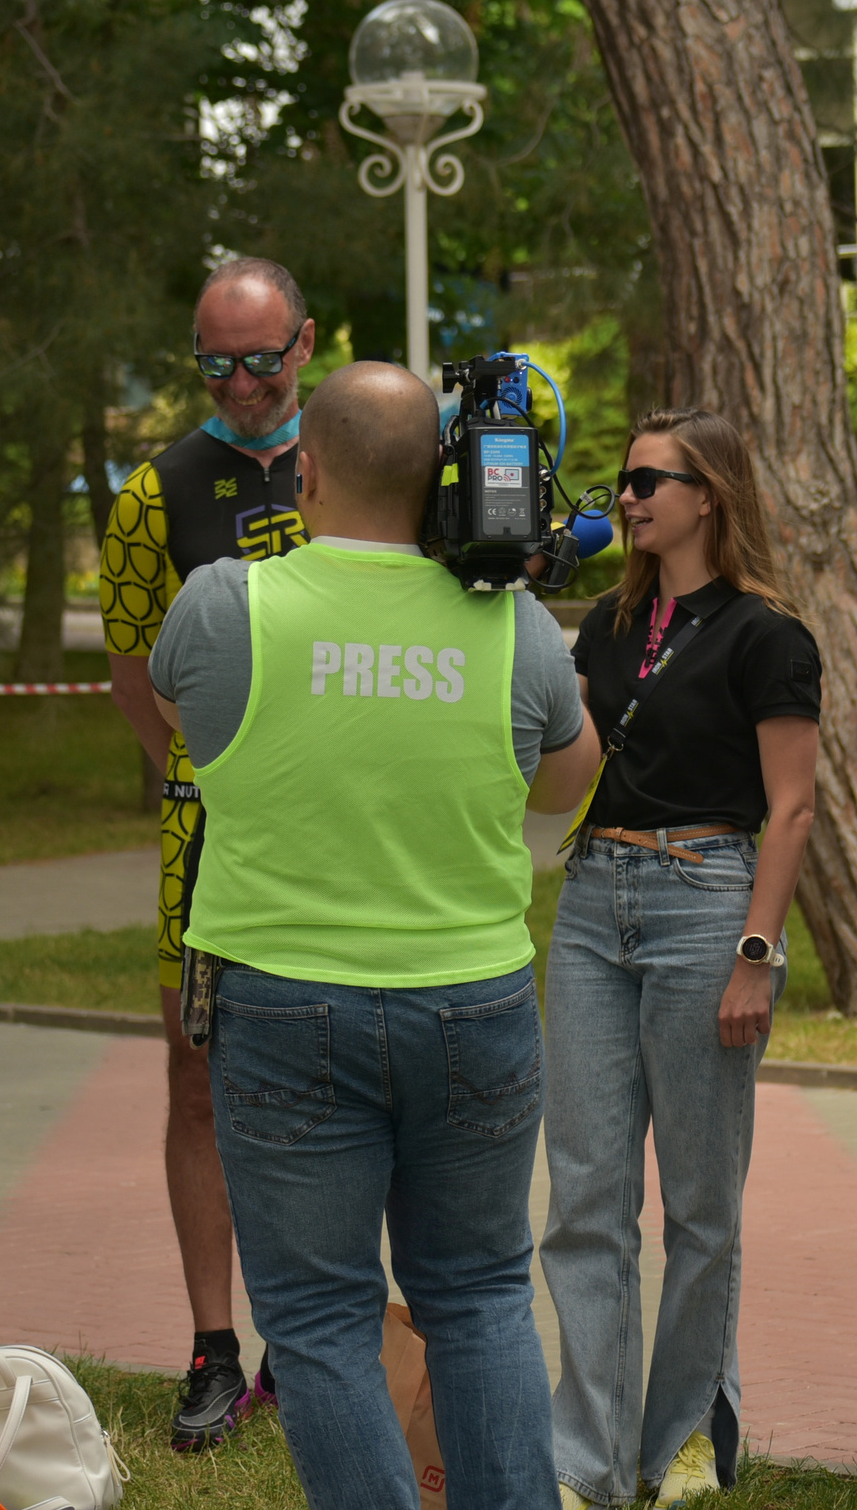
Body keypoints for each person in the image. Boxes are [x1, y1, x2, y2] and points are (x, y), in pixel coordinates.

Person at [149, 359, 600, 1510]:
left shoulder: (223, 604)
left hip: (285, 1000)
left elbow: (176, 711)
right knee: (482, 1294)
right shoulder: (517, 624)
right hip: (476, 998)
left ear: (305, 468)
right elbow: (567, 786)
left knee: (315, 1318)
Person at [543, 410, 822, 1510]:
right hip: (590, 901)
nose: (628, 496)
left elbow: (792, 808)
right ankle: (589, 1460)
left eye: (650, 480)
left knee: (701, 1207)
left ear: (709, 493)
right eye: (622, 481)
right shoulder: (605, 629)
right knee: (586, 1196)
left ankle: (686, 1441)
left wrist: (757, 950)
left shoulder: (767, 634)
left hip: (708, 900)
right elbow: (564, 771)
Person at [100, 255, 312, 1448]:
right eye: (215, 362)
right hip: (210, 837)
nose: (239, 381)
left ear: (306, 341)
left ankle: (306, 1336)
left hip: (339, 835)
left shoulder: (357, 465)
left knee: (328, 1075)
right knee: (198, 1077)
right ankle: (211, 1346)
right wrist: (198, 765)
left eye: (261, 356)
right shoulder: (157, 489)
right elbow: (134, 668)